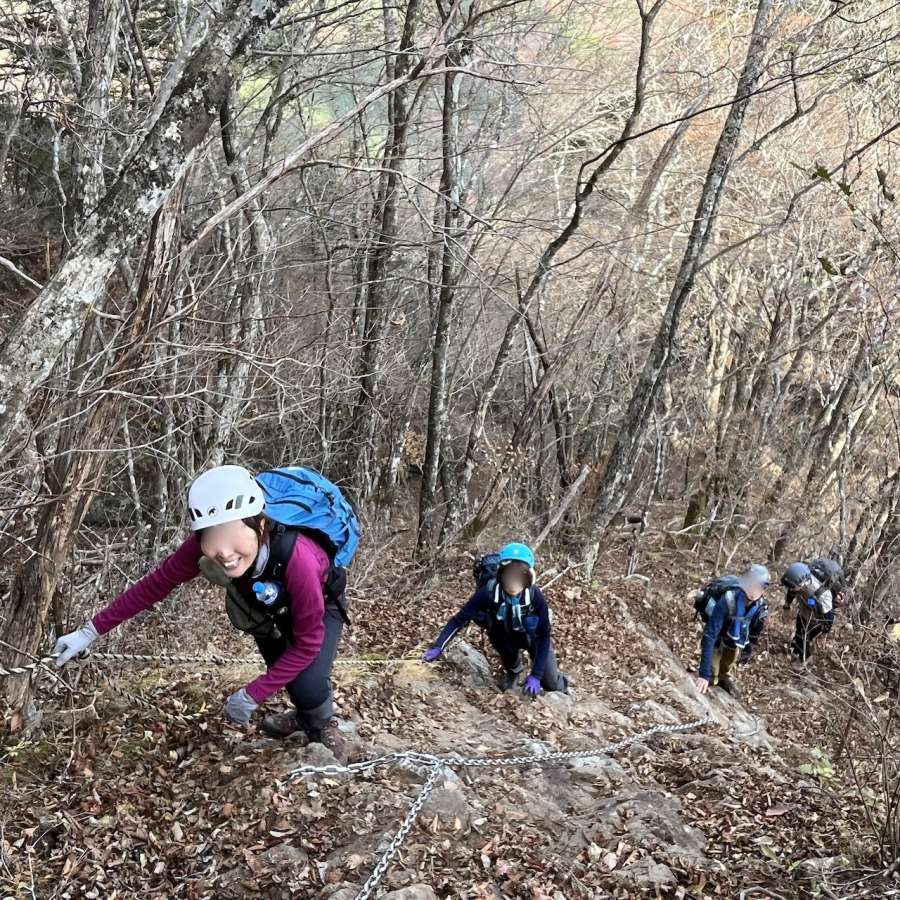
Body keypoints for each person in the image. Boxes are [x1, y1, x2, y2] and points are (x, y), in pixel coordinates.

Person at [52, 465, 355, 758]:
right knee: (281, 667)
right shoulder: (204, 541)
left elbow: (308, 644)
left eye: (234, 536)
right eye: (214, 540)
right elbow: (156, 584)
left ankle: (321, 725)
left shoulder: (300, 557)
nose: (224, 553)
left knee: (307, 681)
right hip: (266, 606)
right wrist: (88, 632)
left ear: (260, 524)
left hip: (319, 601)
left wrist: (253, 694)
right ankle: (303, 716)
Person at [422, 542, 569, 696]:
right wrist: (439, 646)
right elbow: (459, 621)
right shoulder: (488, 592)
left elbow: (544, 636)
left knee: (551, 683)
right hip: (504, 637)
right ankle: (514, 672)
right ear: (501, 575)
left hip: (533, 638)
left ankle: (564, 688)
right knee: (500, 640)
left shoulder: (535, 596)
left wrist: (536, 675)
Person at [694, 564, 771, 699]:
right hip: (718, 634)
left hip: (735, 639)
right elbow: (710, 634)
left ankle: (723, 677)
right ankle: (713, 676)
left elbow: (754, 634)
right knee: (711, 677)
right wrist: (703, 674)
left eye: (760, 586)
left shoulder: (760, 608)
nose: (755, 590)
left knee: (726, 665)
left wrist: (747, 652)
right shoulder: (728, 599)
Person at [781, 561, 834, 667]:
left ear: (803, 583)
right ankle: (797, 649)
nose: (790, 589)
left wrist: (824, 633)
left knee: (805, 637)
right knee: (799, 633)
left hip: (817, 620)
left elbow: (828, 615)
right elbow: (791, 592)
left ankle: (804, 658)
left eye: (792, 587)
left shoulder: (822, 594)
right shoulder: (796, 584)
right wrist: (786, 607)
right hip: (803, 613)